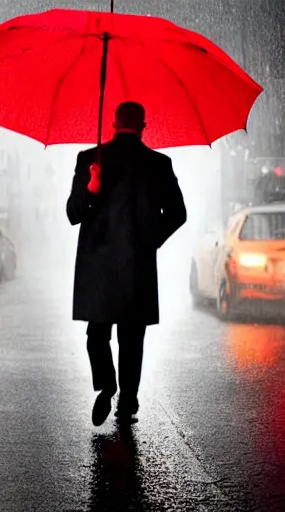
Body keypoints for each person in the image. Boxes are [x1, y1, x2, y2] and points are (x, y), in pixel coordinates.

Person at [66, 102, 187, 426]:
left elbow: (73, 213)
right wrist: (150, 240)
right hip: (138, 265)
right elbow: (178, 214)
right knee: (132, 339)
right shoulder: (158, 164)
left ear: (114, 123)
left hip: (99, 266)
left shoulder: (89, 159)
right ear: (143, 125)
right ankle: (127, 401)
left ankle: (107, 385)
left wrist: (91, 189)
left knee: (97, 334)